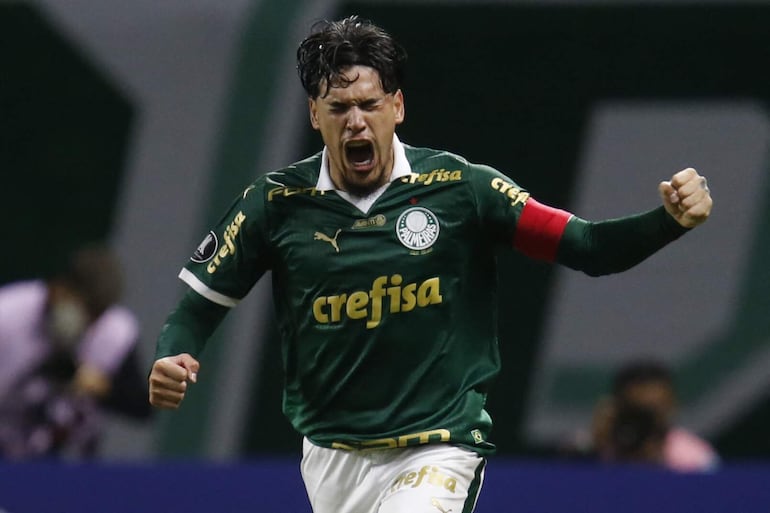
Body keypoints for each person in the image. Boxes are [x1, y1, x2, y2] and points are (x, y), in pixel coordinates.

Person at [148, 16, 713, 512]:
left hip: (438, 443)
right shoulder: (274, 204)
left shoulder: (461, 189)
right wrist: (174, 354)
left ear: (397, 106)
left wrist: (667, 221)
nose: (356, 123)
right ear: (314, 114)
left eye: (370, 104)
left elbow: (587, 247)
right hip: (330, 455)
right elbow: (196, 309)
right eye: (339, 108)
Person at [0, 244, 149, 459]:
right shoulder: (8, 315)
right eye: (87, 308)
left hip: (62, 464)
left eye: (98, 313)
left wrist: (102, 387)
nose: (91, 321)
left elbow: (141, 406)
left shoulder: (114, 331)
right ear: (59, 289)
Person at [591, 360, 719, 471]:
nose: (647, 420)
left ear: (673, 404)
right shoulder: (601, 451)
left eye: (656, 408)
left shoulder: (697, 457)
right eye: (639, 411)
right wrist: (597, 449)